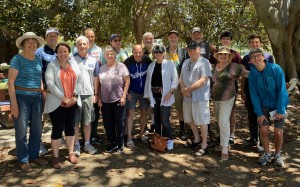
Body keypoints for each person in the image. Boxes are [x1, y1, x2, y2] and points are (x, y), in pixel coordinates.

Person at [8, 32, 48, 172]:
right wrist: (13, 104)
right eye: (28, 42)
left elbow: (40, 80)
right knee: (21, 130)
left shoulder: (38, 59)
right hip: (21, 98)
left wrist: (43, 98)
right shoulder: (17, 59)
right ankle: (23, 160)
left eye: (34, 42)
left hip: (37, 97)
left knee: (37, 128)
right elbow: (10, 82)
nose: (32, 44)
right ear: (23, 44)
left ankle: (34, 156)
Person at [248, 48, 289, 167]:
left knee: (278, 132)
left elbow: (282, 90)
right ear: (250, 60)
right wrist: (259, 113)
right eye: (253, 57)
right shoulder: (252, 74)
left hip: (278, 104)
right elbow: (254, 94)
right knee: (264, 130)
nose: (257, 58)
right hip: (264, 105)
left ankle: (277, 155)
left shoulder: (276, 69)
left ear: (263, 56)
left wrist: (281, 110)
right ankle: (266, 154)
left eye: (259, 55)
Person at [44, 43, 81, 169]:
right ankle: (55, 157)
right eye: (60, 51)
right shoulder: (52, 65)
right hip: (57, 103)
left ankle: (71, 153)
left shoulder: (74, 64)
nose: (63, 54)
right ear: (56, 53)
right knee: (57, 128)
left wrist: (75, 96)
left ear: (69, 52)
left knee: (70, 127)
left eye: (65, 51)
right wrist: (63, 97)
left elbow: (79, 81)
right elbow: (50, 83)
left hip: (72, 102)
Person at [211, 46, 247, 160]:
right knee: (220, 121)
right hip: (215, 99)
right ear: (218, 56)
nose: (223, 56)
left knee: (223, 122)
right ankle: (222, 144)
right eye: (221, 55)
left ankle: (225, 149)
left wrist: (262, 75)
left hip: (228, 98)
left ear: (229, 56)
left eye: (225, 55)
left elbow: (247, 74)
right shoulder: (213, 67)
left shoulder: (234, 67)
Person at [241, 34, 274, 151]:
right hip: (250, 91)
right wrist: (242, 91)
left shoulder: (268, 57)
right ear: (249, 44)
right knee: (251, 115)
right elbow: (243, 76)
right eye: (252, 42)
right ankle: (253, 138)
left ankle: (262, 141)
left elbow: (271, 75)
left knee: (263, 115)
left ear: (260, 43)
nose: (254, 44)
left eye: (256, 42)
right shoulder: (245, 58)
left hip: (263, 92)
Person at [179, 41, 211, 157]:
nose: (192, 52)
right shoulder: (186, 62)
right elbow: (181, 78)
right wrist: (183, 89)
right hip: (187, 97)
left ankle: (204, 145)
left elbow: (203, 80)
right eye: (190, 50)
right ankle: (197, 139)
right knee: (190, 119)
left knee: (202, 121)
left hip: (200, 97)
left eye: (194, 49)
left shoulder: (204, 62)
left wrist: (188, 90)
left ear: (199, 49)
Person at [210, 31, 242, 145]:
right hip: (217, 90)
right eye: (223, 38)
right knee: (219, 114)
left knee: (231, 112)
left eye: (228, 39)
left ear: (231, 41)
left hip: (230, 89)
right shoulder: (216, 54)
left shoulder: (236, 54)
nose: (225, 40)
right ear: (221, 40)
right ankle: (223, 134)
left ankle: (231, 134)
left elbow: (241, 70)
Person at [144, 45, 178, 149]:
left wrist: (170, 92)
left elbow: (175, 78)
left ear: (163, 53)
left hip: (165, 97)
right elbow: (148, 82)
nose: (158, 54)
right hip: (154, 97)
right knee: (157, 120)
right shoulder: (151, 66)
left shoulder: (170, 64)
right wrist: (148, 95)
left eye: (160, 52)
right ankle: (158, 143)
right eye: (156, 52)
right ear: (153, 54)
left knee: (165, 120)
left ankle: (169, 143)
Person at [98, 46, 130, 153]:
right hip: (105, 101)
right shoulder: (102, 68)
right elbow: (98, 85)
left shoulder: (121, 66)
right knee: (108, 123)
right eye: (107, 54)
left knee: (119, 122)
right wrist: (98, 98)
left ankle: (120, 144)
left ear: (115, 55)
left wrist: (124, 96)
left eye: (111, 54)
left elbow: (127, 81)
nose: (109, 56)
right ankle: (112, 143)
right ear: (104, 56)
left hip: (118, 99)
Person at [73, 36, 99, 156]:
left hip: (89, 94)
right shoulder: (71, 60)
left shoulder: (94, 61)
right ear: (76, 46)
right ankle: (76, 145)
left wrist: (96, 94)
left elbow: (96, 79)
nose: (82, 46)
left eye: (84, 44)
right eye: (80, 44)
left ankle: (87, 144)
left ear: (88, 45)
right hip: (75, 95)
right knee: (76, 122)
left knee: (87, 121)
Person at [35, 27, 60, 156]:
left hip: (58, 90)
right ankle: (37, 143)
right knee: (41, 117)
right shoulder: (39, 52)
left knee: (58, 116)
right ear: (46, 38)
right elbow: (37, 72)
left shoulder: (59, 50)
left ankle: (56, 141)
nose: (52, 38)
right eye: (50, 36)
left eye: (55, 36)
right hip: (44, 89)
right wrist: (42, 89)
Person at [124, 45, 152, 148]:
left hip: (145, 91)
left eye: (140, 52)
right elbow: (124, 78)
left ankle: (141, 134)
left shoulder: (147, 61)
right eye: (135, 52)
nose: (138, 54)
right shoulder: (127, 62)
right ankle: (129, 137)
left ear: (143, 52)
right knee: (130, 112)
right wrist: (126, 92)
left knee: (144, 112)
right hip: (132, 92)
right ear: (132, 52)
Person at [166, 30, 187, 140]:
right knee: (166, 106)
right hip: (166, 84)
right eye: (171, 37)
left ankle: (182, 130)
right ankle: (166, 128)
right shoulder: (164, 51)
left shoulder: (183, 52)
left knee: (180, 108)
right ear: (168, 39)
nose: (173, 39)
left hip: (179, 83)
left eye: (175, 37)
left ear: (178, 39)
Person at [84, 28, 103, 145]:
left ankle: (94, 135)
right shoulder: (77, 48)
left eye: (92, 36)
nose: (91, 39)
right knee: (84, 114)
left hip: (96, 85)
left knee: (95, 112)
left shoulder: (98, 50)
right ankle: (85, 138)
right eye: (88, 36)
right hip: (83, 87)